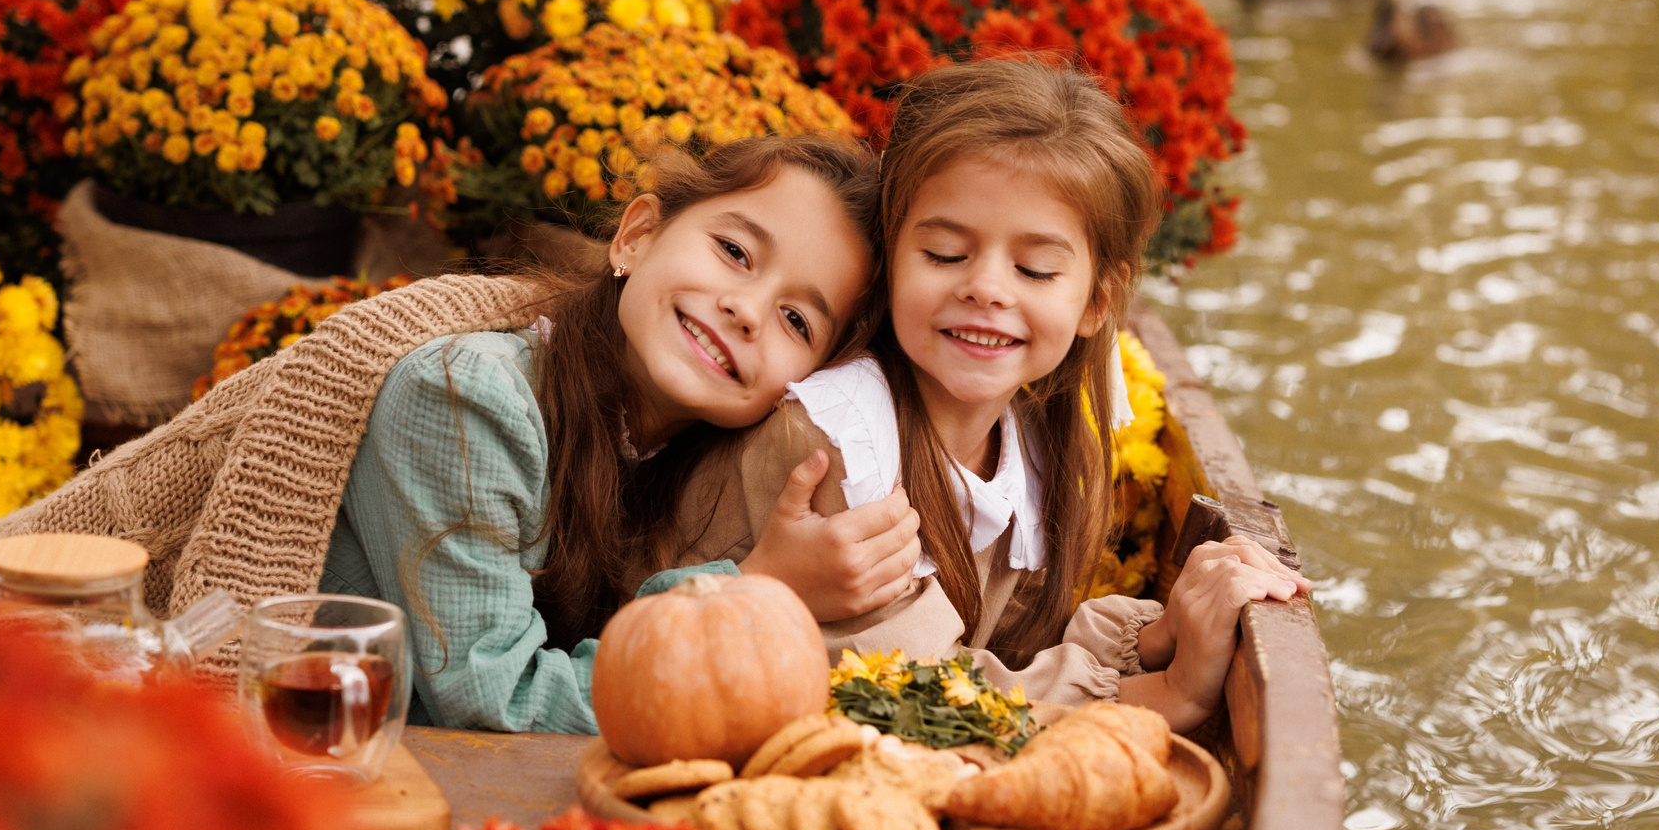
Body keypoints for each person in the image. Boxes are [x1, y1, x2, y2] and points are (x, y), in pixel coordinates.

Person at [674, 57, 1307, 730]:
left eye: (1035, 269)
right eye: (945, 255)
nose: (987, 288)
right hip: (690, 717)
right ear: (891, 259)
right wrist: (1167, 698)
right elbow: (907, 705)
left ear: (1096, 302)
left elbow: (998, 656)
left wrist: (1155, 633)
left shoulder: (1029, 441)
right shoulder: (837, 441)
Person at [322, 135, 897, 731]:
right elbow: (493, 697)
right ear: (638, 236)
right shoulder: (468, 398)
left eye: (797, 320)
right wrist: (757, 589)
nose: (748, 310)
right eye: (734, 250)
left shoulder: (681, 460)